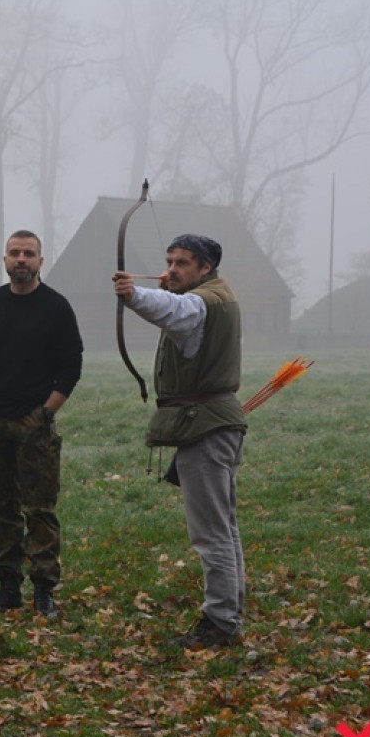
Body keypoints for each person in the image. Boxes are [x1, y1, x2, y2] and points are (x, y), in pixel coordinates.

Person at [112, 234, 247, 650]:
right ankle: (230, 609)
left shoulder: (200, 303)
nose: (171, 270)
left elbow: (170, 307)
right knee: (223, 526)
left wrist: (133, 294)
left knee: (211, 532)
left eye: (182, 263)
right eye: (168, 261)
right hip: (212, 423)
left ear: (205, 268)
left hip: (205, 426)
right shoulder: (212, 296)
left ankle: (221, 621)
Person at [0, 230, 83, 618]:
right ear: (5, 260)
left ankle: (44, 590)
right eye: (15, 253)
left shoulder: (56, 308)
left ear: (41, 261)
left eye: (29, 253)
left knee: (40, 508)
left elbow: (71, 368)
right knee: (1, 507)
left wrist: (46, 413)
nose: (21, 259)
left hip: (35, 419)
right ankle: (7, 588)